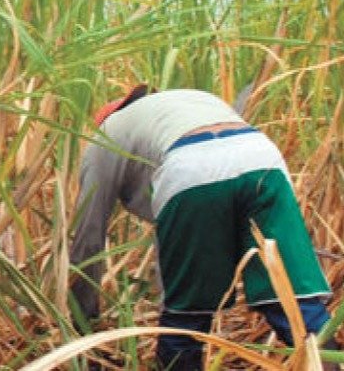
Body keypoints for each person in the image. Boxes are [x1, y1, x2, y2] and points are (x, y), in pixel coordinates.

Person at [69, 85, 335, 370]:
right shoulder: (193, 102)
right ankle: (333, 362)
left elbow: (88, 235)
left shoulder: (106, 135)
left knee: (186, 315)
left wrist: (80, 325)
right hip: (262, 158)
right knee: (289, 297)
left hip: (191, 168)